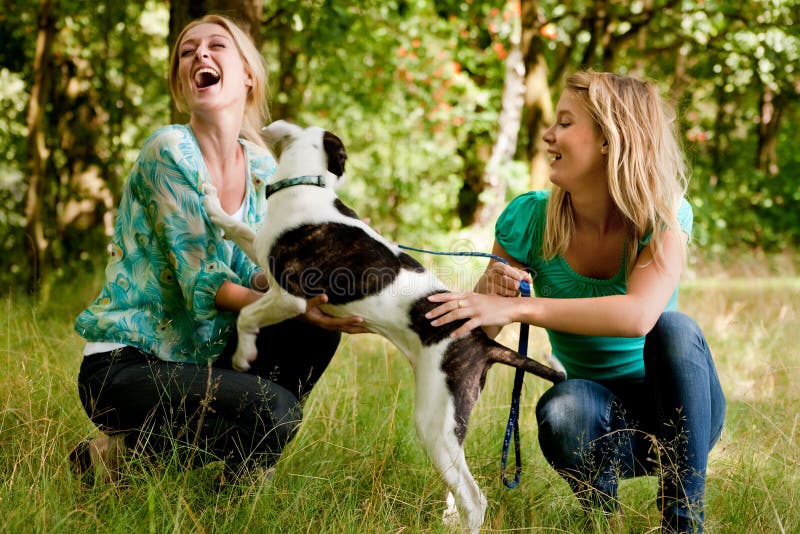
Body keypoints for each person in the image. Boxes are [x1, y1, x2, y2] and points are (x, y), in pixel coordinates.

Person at [70, 14, 366, 483]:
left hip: (203, 359)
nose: (200, 56)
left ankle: (164, 464)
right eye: (187, 52)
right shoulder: (168, 150)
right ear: (182, 82)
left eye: (215, 46)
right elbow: (204, 283)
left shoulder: (266, 169)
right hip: (127, 367)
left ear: (248, 74)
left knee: (316, 331)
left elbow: (264, 269)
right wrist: (290, 304)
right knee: (277, 410)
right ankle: (123, 456)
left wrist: (329, 287)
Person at [427, 71, 725, 533]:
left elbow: (639, 316)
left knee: (675, 329)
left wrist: (520, 309)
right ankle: (602, 521)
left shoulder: (665, 213)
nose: (548, 135)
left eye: (565, 123)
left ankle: (683, 523)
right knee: (562, 407)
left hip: (681, 414)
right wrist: (493, 293)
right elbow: (481, 333)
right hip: (596, 414)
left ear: (610, 138)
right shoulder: (528, 219)